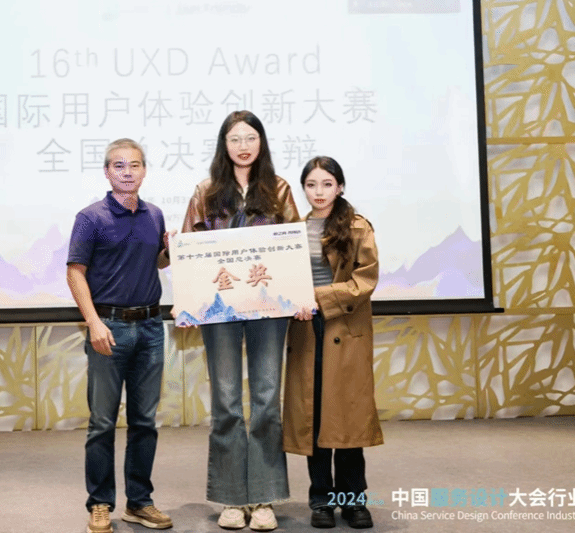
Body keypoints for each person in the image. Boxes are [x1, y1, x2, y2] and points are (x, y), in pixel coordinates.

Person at [179, 110, 300, 531]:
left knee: (267, 399)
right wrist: (188, 302)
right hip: (220, 310)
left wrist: (300, 296)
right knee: (227, 402)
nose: (243, 146)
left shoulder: (279, 189)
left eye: (250, 138)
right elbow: (189, 250)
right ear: (224, 145)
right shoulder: (206, 191)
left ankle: (264, 498)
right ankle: (232, 499)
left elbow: (294, 247)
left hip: (270, 308)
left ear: (261, 142)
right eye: (235, 139)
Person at [67, 138, 174, 533]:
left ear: (144, 171)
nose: (127, 172)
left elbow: (155, 263)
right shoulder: (90, 217)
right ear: (107, 172)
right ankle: (100, 503)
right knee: (102, 423)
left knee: (145, 422)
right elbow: (75, 272)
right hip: (108, 328)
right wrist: (94, 322)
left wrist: (171, 251)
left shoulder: (154, 215)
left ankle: (139, 503)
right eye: (119, 165)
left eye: (135, 165)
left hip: (150, 327)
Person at [284, 156, 383, 529]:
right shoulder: (292, 230)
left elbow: (365, 279)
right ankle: (321, 500)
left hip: (345, 328)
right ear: (303, 188)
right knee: (314, 417)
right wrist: (291, 300)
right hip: (306, 329)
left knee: (347, 419)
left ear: (339, 187)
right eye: (311, 185)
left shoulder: (357, 226)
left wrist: (319, 297)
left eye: (327, 184)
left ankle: (353, 500)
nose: (319, 192)